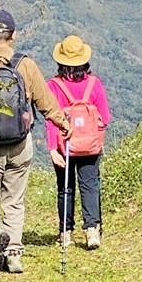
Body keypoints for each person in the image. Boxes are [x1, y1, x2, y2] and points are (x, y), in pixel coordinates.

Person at [0, 9, 71, 276]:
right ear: (13, 35)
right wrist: (63, 125)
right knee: (14, 200)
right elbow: (45, 102)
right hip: (20, 144)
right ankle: (14, 255)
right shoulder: (24, 64)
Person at [46, 34, 111, 250]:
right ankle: (92, 231)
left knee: (65, 188)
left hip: (64, 145)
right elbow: (105, 118)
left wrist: (52, 148)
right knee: (90, 185)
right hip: (90, 146)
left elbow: (50, 120)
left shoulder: (54, 86)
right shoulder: (95, 84)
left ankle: (66, 233)